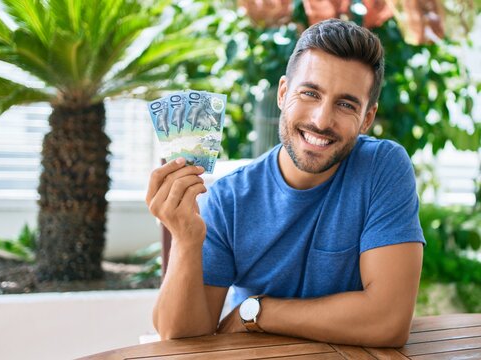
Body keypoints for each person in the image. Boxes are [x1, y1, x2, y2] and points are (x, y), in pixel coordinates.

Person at [147, 18, 425, 347]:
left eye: (346, 104)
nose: (321, 120)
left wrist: (255, 313)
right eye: (310, 93)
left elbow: (388, 322)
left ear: (367, 118)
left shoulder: (382, 168)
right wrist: (185, 240)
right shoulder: (229, 198)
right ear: (282, 93)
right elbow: (180, 338)